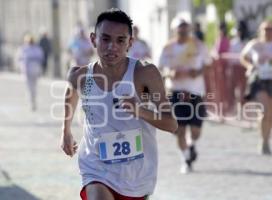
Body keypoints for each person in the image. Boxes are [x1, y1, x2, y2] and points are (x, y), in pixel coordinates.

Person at [60, 8, 178, 200]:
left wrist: (139, 110)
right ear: (93, 39)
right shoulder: (80, 75)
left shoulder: (145, 74)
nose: (111, 47)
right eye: (105, 39)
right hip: (95, 167)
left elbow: (171, 124)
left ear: (130, 43)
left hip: (136, 175)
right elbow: (70, 92)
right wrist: (65, 131)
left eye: (120, 40)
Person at [159, 17, 211, 173]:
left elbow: (208, 65)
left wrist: (198, 72)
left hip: (195, 92)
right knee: (180, 129)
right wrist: (169, 73)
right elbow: (160, 69)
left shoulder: (198, 45)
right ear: (175, 31)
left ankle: (192, 145)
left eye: (185, 29)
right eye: (180, 30)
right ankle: (185, 159)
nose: (183, 32)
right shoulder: (167, 47)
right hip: (176, 93)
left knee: (196, 131)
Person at [240, 21, 272, 155]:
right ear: (260, 31)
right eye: (265, 29)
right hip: (259, 80)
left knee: (270, 113)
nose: (268, 32)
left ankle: (266, 140)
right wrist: (250, 66)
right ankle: (262, 140)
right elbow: (243, 57)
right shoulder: (254, 44)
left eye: (271, 29)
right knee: (264, 109)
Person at [18, 34, 44, 111]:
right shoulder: (24, 49)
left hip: (33, 69)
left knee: (32, 87)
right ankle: (32, 102)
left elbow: (41, 59)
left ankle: (32, 101)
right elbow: (20, 59)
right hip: (28, 70)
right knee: (30, 88)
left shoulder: (34, 49)